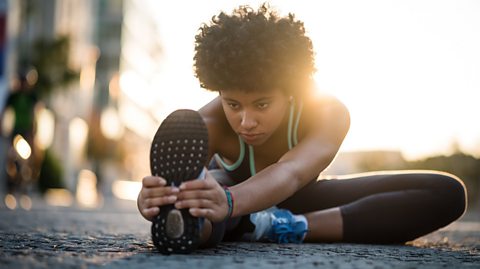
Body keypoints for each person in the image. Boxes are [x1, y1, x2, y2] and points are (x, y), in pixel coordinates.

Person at [137, 4, 467, 254]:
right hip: (226, 202)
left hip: (298, 202)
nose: (246, 121)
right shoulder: (206, 122)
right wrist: (153, 199)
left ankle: (282, 228)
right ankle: (193, 227)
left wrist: (232, 200)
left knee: (446, 193)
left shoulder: (328, 112)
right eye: (233, 104)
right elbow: (187, 187)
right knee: (207, 191)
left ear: (292, 90)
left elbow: (292, 172)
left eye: (262, 104)